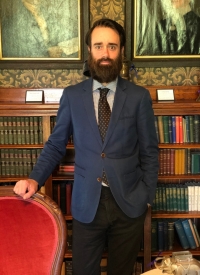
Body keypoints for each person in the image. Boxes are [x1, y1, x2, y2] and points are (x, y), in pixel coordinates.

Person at [14, 18, 159, 275]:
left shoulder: (139, 97)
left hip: (129, 203)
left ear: (121, 51)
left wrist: (146, 196)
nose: (105, 53)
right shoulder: (72, 96)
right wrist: (34, 180)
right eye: (99, 46)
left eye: (112, 46)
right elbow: (56, 144)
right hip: (86, 203)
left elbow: (149, 150)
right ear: (89, 50)